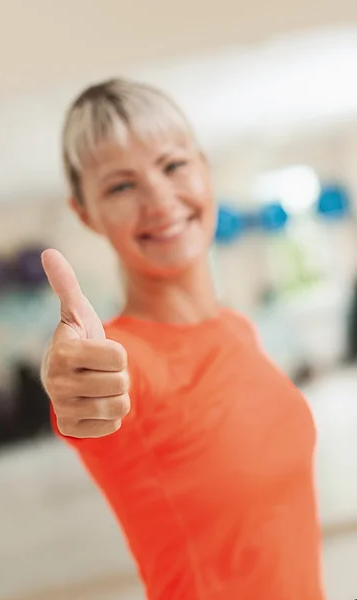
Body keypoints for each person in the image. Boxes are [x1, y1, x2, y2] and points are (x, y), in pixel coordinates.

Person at [40, 78, 325, 600]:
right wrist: (68, 381)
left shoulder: (236, 328)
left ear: (203, 167)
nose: (160, 199)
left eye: (174, 166)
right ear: (86, 213)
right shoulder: (121, 362)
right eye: (121, 186)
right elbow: (82, 392)